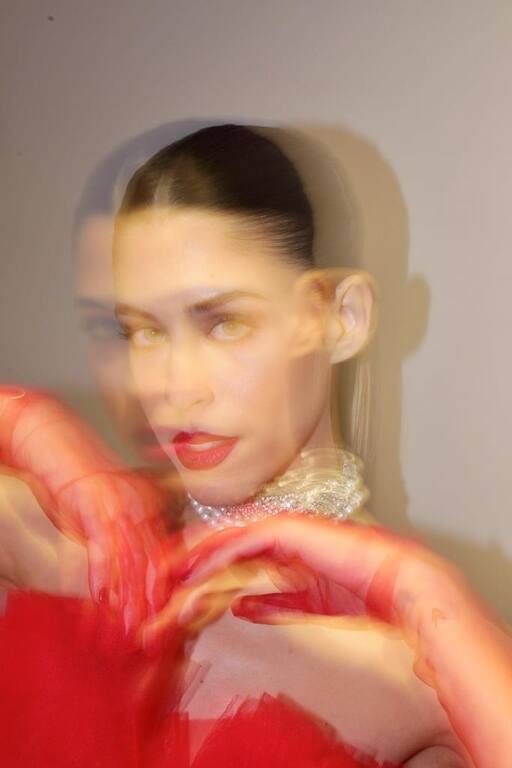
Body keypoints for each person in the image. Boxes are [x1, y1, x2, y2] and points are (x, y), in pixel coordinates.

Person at [0, 124, 509, 767]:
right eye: (143, 332)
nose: (174, 389)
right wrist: (29, 426)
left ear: (341, 318)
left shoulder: (419, 657)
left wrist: (421, 593)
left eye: (225, 323)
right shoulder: (67, 548)